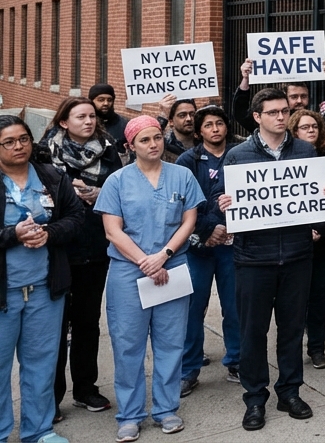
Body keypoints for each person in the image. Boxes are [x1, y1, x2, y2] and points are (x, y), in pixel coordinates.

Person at [219, 88, 325, 432]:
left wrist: (321, 197)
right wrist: (225, 206)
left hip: (296, 256)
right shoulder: (238, 155)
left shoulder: (306, 150)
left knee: (293, 329)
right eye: (273, 112)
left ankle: (290, 391)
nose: (281, 117)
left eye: (284, 111)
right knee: (253, 332)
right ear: (257, 117)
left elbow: (316, 212)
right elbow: (221, 202)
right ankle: (254, 398)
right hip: (253, 258)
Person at [95, 116, 204, 441]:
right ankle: (129, 415)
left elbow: (189, 221)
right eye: (144, 140)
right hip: (129, 271)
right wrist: (145, 261)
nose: (153, 144)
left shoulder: (182, 176)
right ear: (130, 146)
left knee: (171, 342)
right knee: (128, 343)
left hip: (171, 266)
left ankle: (166, 409)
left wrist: (163, 257)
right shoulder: (117, 181)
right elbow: (112, 230)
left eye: (157, 137)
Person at [36, 97, 123, 418]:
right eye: (80, 116)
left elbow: (120, 188)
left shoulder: (109, 148)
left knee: (87, 323)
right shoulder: (45, 153)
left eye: (91, 116)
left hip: (96, 247)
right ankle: (51, 397)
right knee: (55, 328)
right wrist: (67, 193)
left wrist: (100, 193)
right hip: (57, 251)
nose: (88, 121)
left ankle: (86, 388)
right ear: (63, 122)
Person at [0, 114, 84, 443]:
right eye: (8, 141)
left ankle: (39, 430)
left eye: (23, 139)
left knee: (41, 363)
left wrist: (49, 233)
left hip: (45, 291)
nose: (19, 146)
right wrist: (12, 234)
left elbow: (77, 218)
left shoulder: (50, 176)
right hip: (4, 294)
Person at [176, 105, 241, 396]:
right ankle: (189, 369)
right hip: (197, 247)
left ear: (226, 126)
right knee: (192, 308)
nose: (215, 129)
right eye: (208, 125)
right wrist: (207, 228)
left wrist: (228, 228)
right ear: (199, 130)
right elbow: (181, 203)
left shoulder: (241, 155)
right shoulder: (186, 160)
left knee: (235, 306)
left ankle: (237, 360)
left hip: (234, 245)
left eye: (219, 123)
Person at [288, 109, 325, 372]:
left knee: (318, 295)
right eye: (304, 127)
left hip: (324, 240)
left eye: (314, 126)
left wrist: (320, 230)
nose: (310, 130)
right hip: (292, 242)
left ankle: (317, 348)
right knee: (293, 297)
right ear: (294, 132)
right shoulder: (284, 159)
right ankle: (291, 346)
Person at [230, 58, 325, 135]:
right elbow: (240, 113)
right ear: (285, 97)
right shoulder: (272, 125)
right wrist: (246, 79)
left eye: (303, 96)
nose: (300, 101)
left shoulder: (317, 124)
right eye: (294, 97)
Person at [88, 84, 130, 153]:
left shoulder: (124, 124)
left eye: (109, 100)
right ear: (91, 101)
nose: (106, 103)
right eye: (101, 100)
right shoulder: (86, 124)